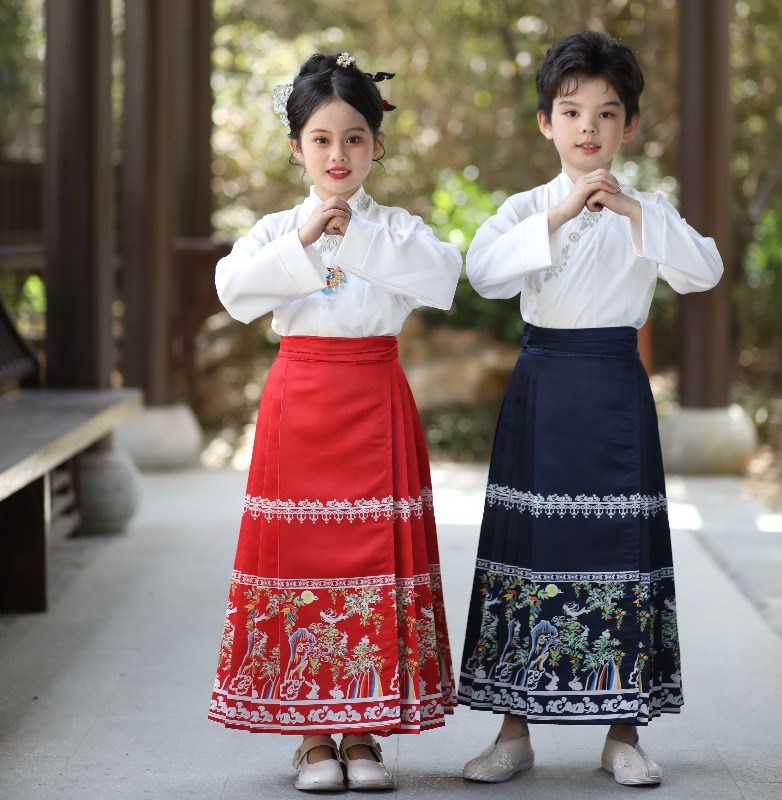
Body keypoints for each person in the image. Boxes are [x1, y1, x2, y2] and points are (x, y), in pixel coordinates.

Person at [457, 30, 723, 787]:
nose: (588, 128)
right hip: (543, 385)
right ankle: (514, 730)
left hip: (614, 387)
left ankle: (624, 732)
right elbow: (482, 274)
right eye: (571, 111)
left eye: (607, 114)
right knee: (527, 553)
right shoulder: (526, 206)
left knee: (620, 556)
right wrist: (563, 213)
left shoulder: (649, 210)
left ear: (628, 126)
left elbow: (703, 271)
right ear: (545, 121)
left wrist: (635, 214)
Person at [208, 52, 461, 793]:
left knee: (375, 562)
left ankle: (365, 730)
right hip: (301, 402)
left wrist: (352, 236)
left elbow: (444, 278)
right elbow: (233, 293)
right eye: (320, 139)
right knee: (302, 563)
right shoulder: (275, 229)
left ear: (378, 144)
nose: (338, 154)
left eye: (354, 138)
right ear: (296, 148)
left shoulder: (400, 229)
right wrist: (305, 240)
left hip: (375, 396)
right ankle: (312, 737)